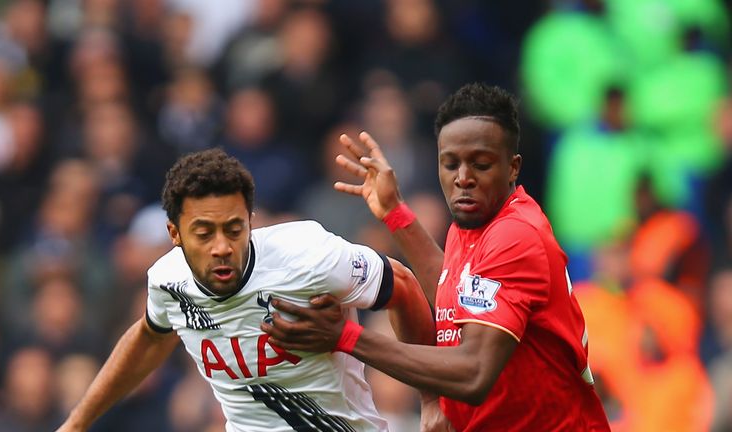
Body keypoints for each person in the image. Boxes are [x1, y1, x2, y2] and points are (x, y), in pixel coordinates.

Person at [262, 82, 611, 431]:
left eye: (481, 164)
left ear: (513, 167)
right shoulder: (475, 221)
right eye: (450, 163)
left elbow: (473, 374)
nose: (463, 178)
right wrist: (394, 213)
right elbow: (452, 294)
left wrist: (346, 337)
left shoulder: (515, 236)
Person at [57, 148, 439, 431]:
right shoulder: (168, 281)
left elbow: (402, 286)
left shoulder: (308, 257)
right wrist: (76, 424)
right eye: (204, 233)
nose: (222, 247)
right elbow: (149, 337)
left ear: (250, 221)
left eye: (235, 229)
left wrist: (432, 399)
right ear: (174, 233)